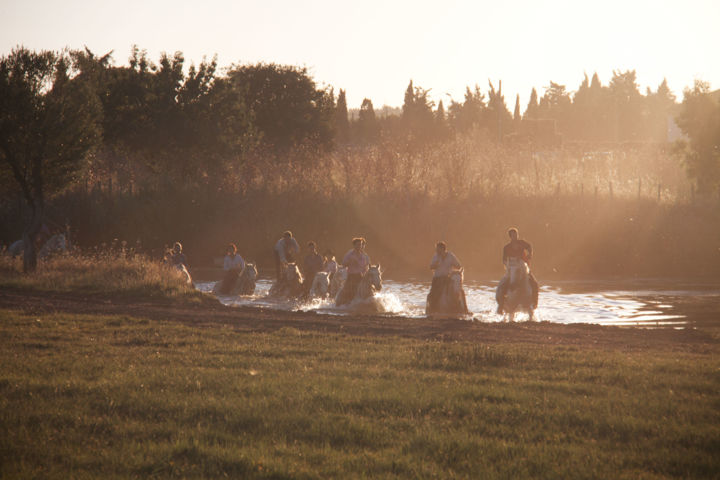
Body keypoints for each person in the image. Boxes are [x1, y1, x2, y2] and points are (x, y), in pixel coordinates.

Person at [496, 228, 539, 314]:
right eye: (513, 235)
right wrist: (508, 266)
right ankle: (501, 306)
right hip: (511, 268)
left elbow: (530, 247)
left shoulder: (522, 243)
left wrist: (530, 254)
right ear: (510, 237)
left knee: (534, 283)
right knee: (502, 285)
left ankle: (534, 302)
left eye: (516, 234)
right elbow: (504, 260)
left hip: (524, 267)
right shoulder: (506, 247)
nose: (515, 236)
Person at [427, 241, 462, 313]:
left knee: (458, 291)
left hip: (447, 278)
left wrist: (455, 267)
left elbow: (459, 266)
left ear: (443, 249)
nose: (436, 250)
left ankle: (460, 306)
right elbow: (431, 267)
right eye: (436, 249)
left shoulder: (451, 256)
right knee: (433, 293)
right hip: (437, 278)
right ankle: (432, 307)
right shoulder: (436, 256)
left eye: (438, 249)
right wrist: (435, 265)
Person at [336, 237, 370, 306]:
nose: (359, 246)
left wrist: (365, 273)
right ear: (354, 245)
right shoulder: (349, 254)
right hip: (351, 276)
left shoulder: (363, 256)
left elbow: (365, 267)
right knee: (347, 290)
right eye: (357, 245)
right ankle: (344, 303)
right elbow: (343, 264)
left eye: (360, 245)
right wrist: (350, 262)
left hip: (360, 276)